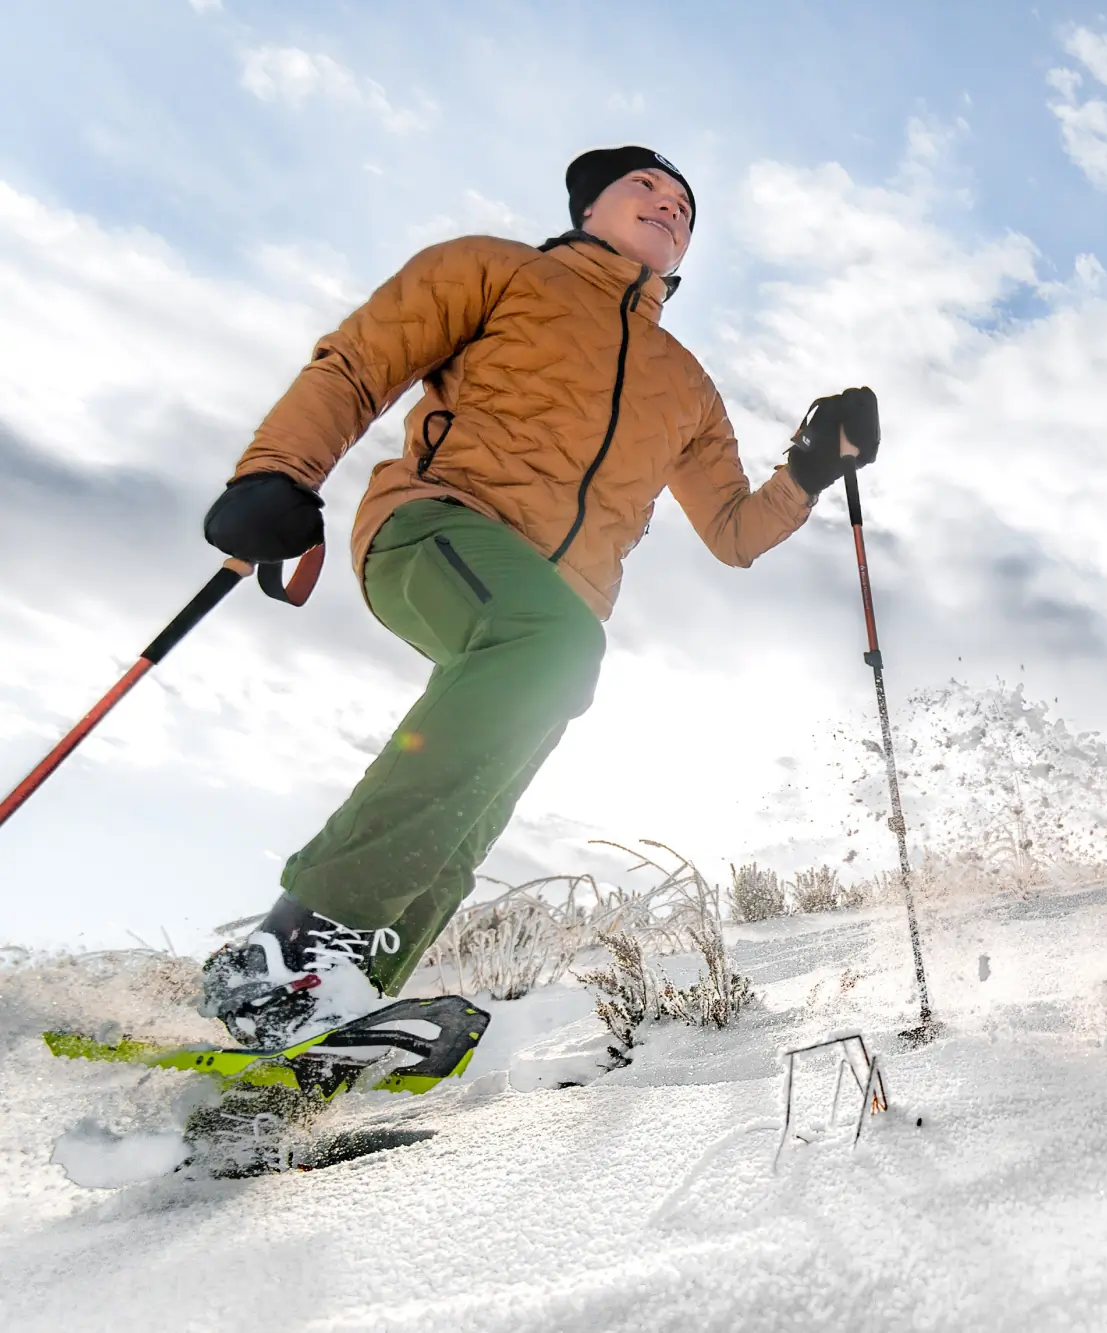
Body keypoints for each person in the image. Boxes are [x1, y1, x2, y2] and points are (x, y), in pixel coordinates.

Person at [196, 146, 877, 1049]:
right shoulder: (496, 269)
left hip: (551, 618)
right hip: (436, 527)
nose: (669, 208)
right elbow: (361, 361)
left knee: (475, 809)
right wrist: (278, 472)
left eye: (685, 208)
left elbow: (733, 532)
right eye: (648, 188)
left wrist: (811, 468)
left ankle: (316, 1029)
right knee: (552, 647)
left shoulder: (686, 386)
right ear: (589, 205)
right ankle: (294, 953)